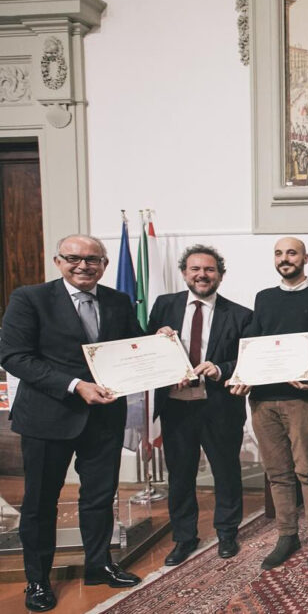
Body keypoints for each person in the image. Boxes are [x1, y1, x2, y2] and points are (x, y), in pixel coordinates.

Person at [0, 235, 143, 612]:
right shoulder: (29, 298)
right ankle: (38, 580)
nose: (84, 266)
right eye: (74, 258)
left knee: (99, 498)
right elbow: (14, 356)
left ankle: (99, 565)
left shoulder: (118, 300)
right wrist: (75, 385)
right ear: (58, 260)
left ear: (104, 264)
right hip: (48, 416)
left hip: (104, 416)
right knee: (40, 503)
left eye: (93, 259)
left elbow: (130, 348)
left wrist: (155, 341)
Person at [228, 238, 308, 570]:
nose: (285, 259)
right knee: (278, 472)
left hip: (301, 400)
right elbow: (254, 344)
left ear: (305, 257)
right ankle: (287, 535)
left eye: (291, 253)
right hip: (262, 399)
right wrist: (242, 374)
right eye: (279, 253)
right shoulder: (264, 298)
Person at [149, 245, 253, 565]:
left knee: (226, 471)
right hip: (177, 405)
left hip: (219, 404)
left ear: (220, 275)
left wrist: (220, 368)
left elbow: (248, 359)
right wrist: (156, 336)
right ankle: (184, 538)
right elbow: (144, 348)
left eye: (209, 270)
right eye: (195, 269)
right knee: (180, 475)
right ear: (184, 273)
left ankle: (226, 533)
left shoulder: (240, 314)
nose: (202, 275)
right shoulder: (164, 306)